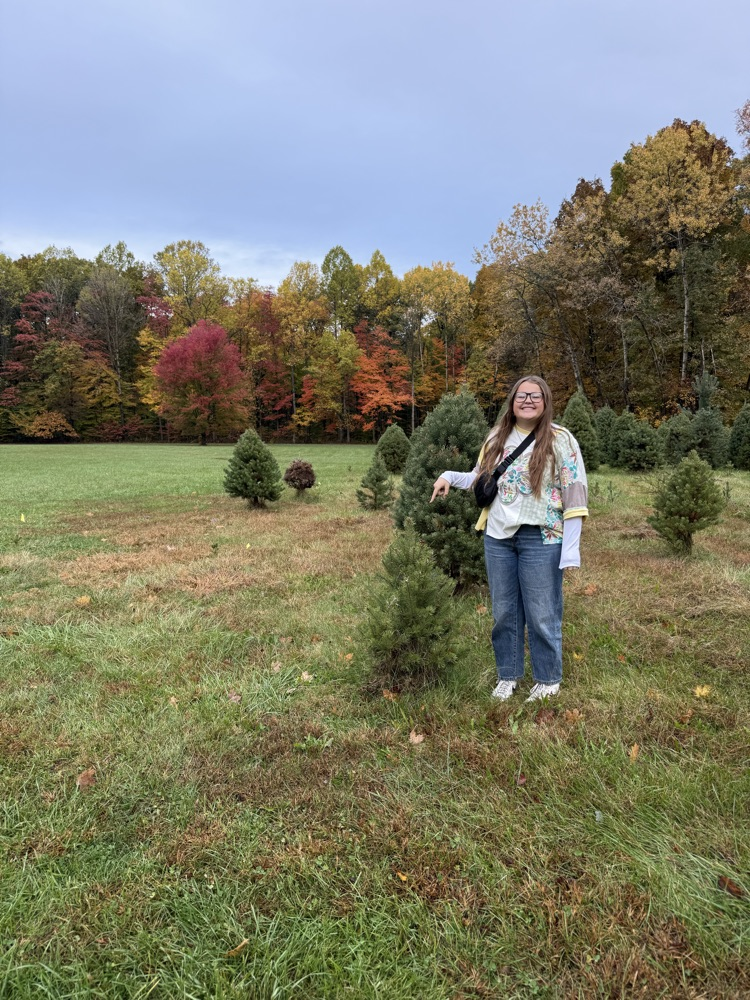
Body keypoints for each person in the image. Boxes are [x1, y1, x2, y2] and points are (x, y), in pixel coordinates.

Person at [430, 376, 588, 702]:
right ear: (512, 401)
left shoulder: (561, 439)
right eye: (521, 395)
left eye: (535, 395)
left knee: (542, 612)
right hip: (498, 538)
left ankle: (548, 679)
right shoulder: (496, 437)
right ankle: (508, 675)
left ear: (545, 401)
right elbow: (479, 478)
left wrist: (570, 549)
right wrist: (448, 476)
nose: (528, 400)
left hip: (541, 538)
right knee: (504, 612)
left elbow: (575, 494)